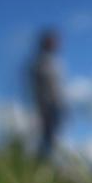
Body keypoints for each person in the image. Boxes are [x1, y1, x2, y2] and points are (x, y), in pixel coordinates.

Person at [30, 29, 65, 159]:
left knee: (53, 137)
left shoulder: (54, 62)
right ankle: (42, 162)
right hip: (47, 105)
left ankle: (47, 163)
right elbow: (37, 87)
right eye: (52, 42)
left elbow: (59, 87)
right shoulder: (40, 63)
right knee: (46, 137)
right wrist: (42, 105)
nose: (56, 45)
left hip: (56, 105)